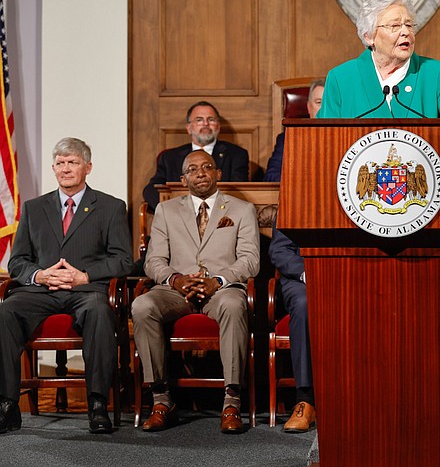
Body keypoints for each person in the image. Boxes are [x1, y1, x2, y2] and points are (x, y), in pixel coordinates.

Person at [0, 137, 133, 434]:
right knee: (5, 311)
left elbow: (124, 261)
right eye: (60, 163)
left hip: (86, 291)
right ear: (53, 168)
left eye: (72, 162)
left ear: (88, 167)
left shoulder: (110, 207)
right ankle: (7, 405)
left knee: (100, 312)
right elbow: (18, 261)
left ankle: (97, 403)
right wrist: (40, 275)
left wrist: (85, 276)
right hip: (41, 290)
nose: (65, 169)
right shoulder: (34, 208)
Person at [132, 150, 260, 434]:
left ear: (218, 173)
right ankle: (161, 401)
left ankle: (231, 402)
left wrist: (218, 280)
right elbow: (153, 261)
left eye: (207, 167)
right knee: (142, 306)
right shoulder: (166, 210)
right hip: (177, 290)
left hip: (221, 290)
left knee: (235, 304)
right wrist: (175, 280)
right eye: (192, 169)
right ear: (183, 178)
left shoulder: (241, 209)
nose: (200, 172)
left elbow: (250, 260)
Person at [317, 0, 440, 119]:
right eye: (395, 25)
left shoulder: (435, 74)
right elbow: (321, 136)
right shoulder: (341, 78)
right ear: (369, 36)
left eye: (409, 25)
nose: (405, 32)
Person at [143, 101, 250, 208]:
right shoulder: (170, 157)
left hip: (221, 213)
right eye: (199, 120)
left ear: (218, 126)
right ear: (188, 128)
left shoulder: (237, 154)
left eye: (211, 120)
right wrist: (171, 210)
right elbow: (151, 190)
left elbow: (239, 191)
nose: (205, 124)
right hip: (179, 215)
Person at [268, 228, 316, 432]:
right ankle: (305, 400)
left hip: (348, 268)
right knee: (305, 303)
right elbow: (280, 250)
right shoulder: (293, 199)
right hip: (299, 278)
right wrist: (310, 271)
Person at [263, 79, 324, 182]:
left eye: (329, 103)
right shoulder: (288, 139)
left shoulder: (346, 138)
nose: (324, 108)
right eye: (319, 102)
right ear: (309, 107)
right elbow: (271, 176)